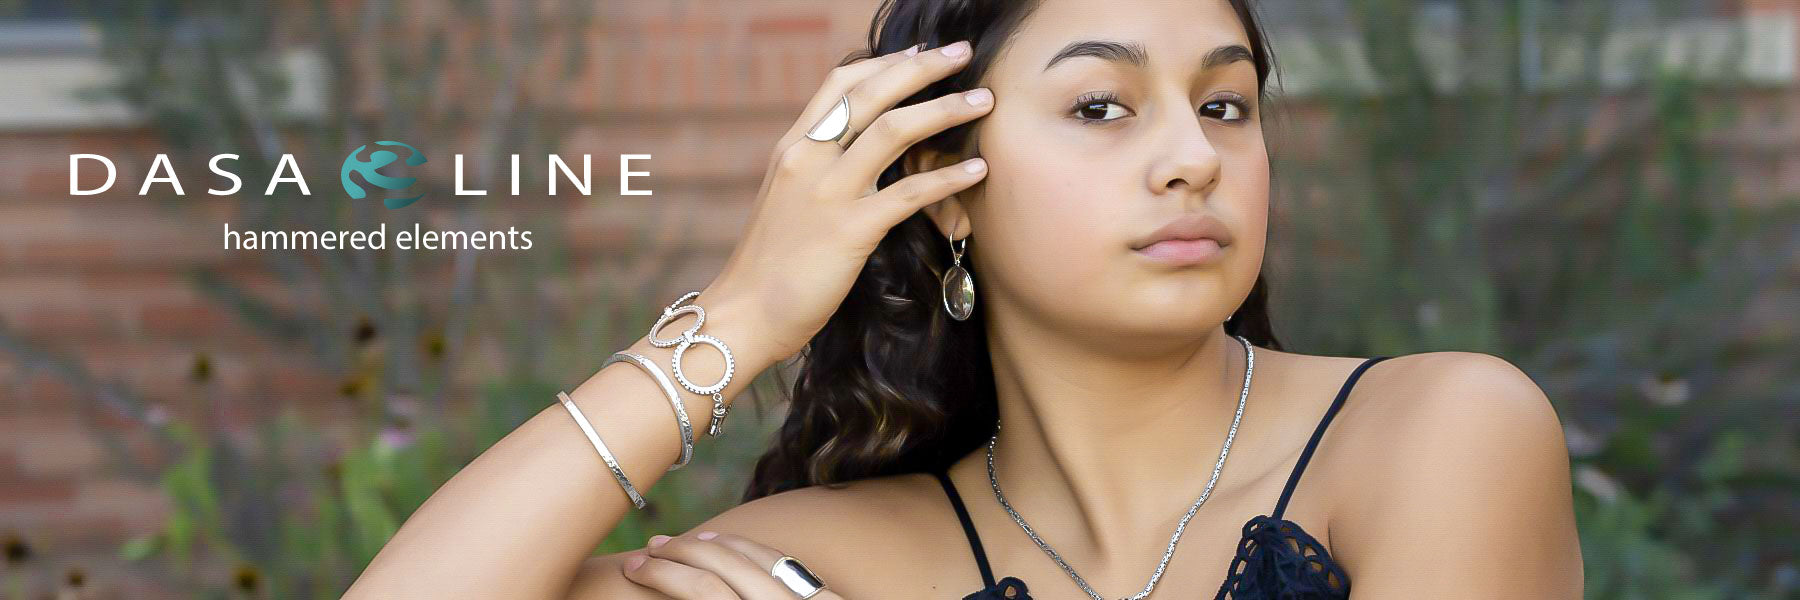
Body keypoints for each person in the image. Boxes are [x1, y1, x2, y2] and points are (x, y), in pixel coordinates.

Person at [346, 0, 1585, 597]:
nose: (1193, 156)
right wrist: (742, 317)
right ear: (944, 189)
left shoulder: (1441, 435)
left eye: (1224, 104)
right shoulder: (833, 555)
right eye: (1102, 107)